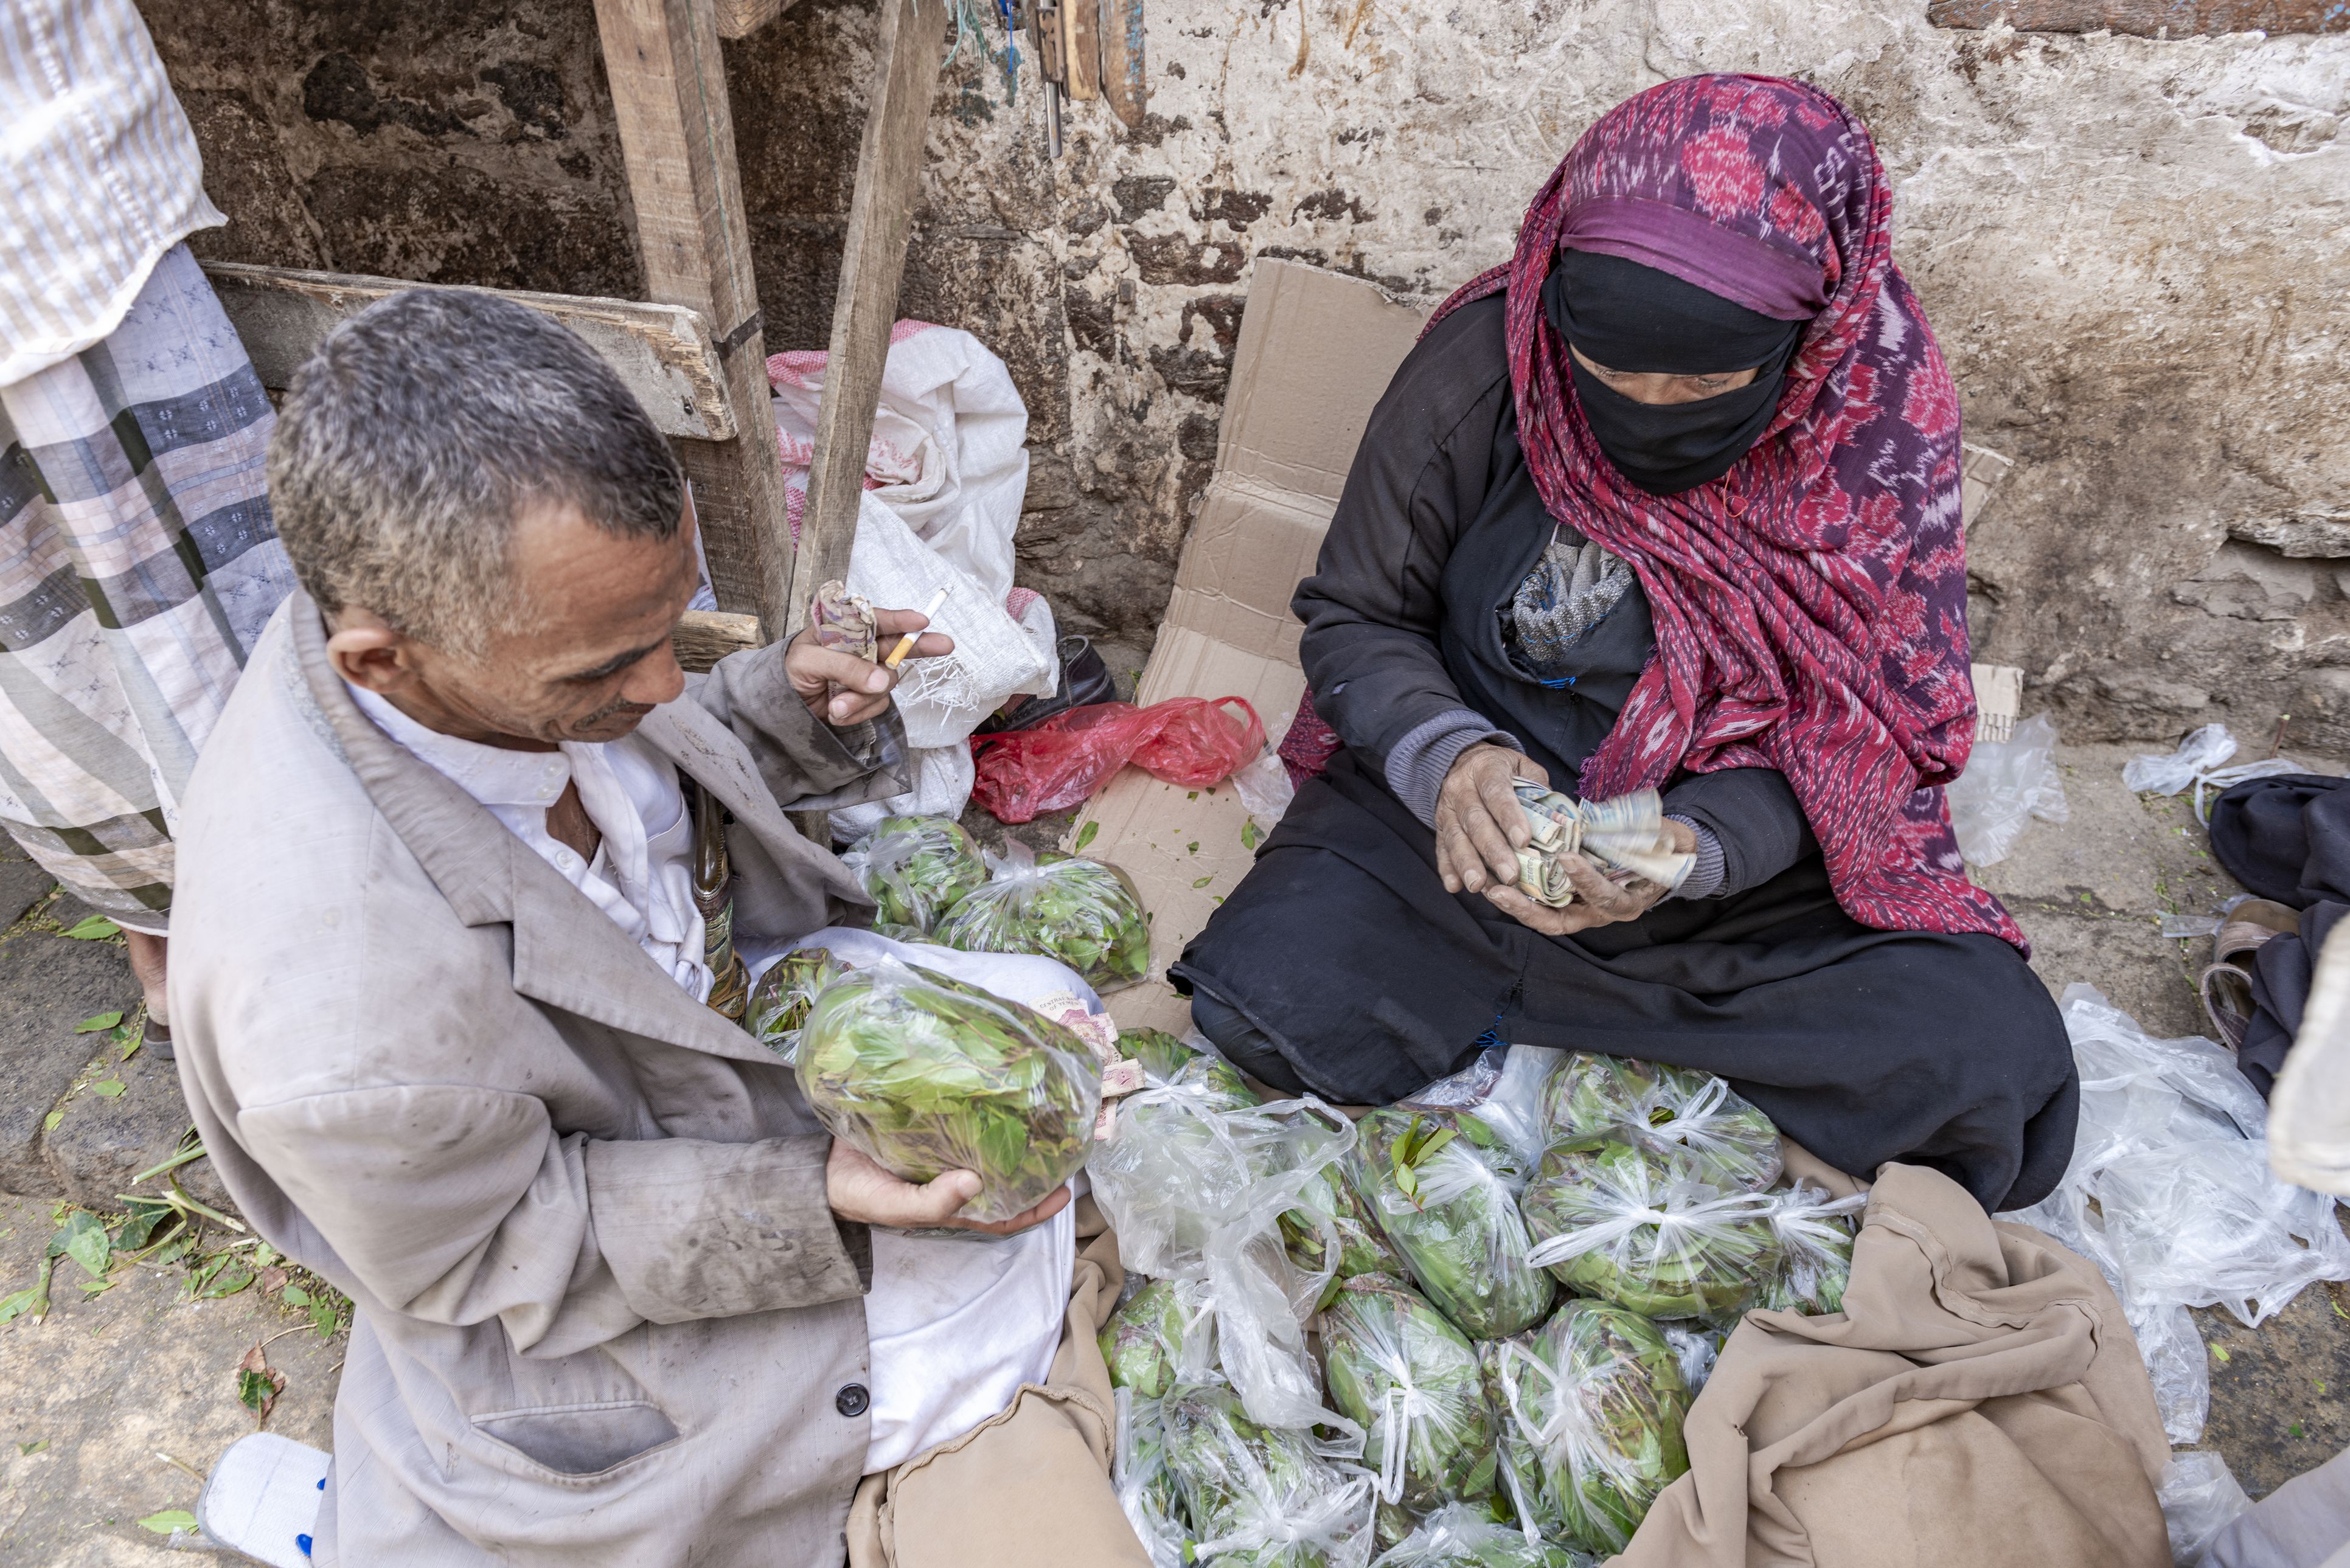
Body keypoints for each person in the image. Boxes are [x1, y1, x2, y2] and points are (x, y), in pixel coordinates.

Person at [169, 291, 1147, 1567]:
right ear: (381, 662)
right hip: (610, 1288)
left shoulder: (491, 636)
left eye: (672, 625)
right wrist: (818, 1198)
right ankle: (374, 1516)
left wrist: (789, 703)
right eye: (602, 672)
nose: (661, 688)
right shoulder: (342, 1020)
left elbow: (664, 750)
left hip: (705, 1081)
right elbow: (509, 1245)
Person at [1173, 73, 2077, 1213]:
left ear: (1808, 335)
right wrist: (1453, 758)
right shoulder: (1484, 370)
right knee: (1258, 999)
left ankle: (1546, 1062)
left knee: (1993, 1061)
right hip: (1458, 842)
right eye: (1609, 374)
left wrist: (1685, 852)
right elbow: (1358, 616)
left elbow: (1868, 742)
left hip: (1726, 884)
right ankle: (1638, 1084)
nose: (1647, 407)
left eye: (1704, 382)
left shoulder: (1872, 434)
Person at [0, 0, 299, 1049]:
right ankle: (182, 928)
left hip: (46, 186)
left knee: (181, 565)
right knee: (50, 655)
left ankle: (235, 913)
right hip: (43, 181)